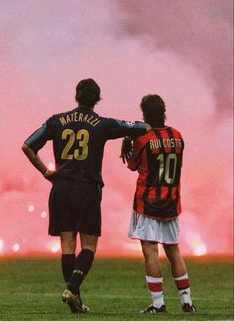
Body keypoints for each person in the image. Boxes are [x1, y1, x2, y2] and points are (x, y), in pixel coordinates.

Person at [22, 78, 148, 314]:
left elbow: (27, 145)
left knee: (67, 246)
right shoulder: (102, 123)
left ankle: (76, 301)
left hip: (61, 189)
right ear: (97, 99)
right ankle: (72, 289)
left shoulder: (56, 120)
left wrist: (46, 172)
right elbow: (139, 127)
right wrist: (130, 137)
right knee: (89, 245)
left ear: (76, 96)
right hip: (87, 189)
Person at [121, 94, 196, 314]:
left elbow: (133, 165)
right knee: (173, 250)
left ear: (144, 113)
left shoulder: (143, 139)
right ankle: (187, 302)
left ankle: (158, 304)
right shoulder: (177, 136)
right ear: (164, 111)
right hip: (172, 201)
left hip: (148, 201)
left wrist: (129, 139)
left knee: (150, 251)